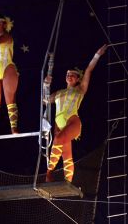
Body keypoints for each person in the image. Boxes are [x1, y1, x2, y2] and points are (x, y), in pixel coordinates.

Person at [44, 44, 108, 183]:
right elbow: (44, 101)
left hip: (73, 122)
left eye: (73, 75)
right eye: (68, 74)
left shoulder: (80, 89)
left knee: (58, 140)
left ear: (78, 78)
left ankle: (49, 172)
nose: (69, 76)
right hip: (60, 126)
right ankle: (68, 181)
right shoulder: (59, 93)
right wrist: (45, 85)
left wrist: (97, 55)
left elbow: (89, 70)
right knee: (66, 155)